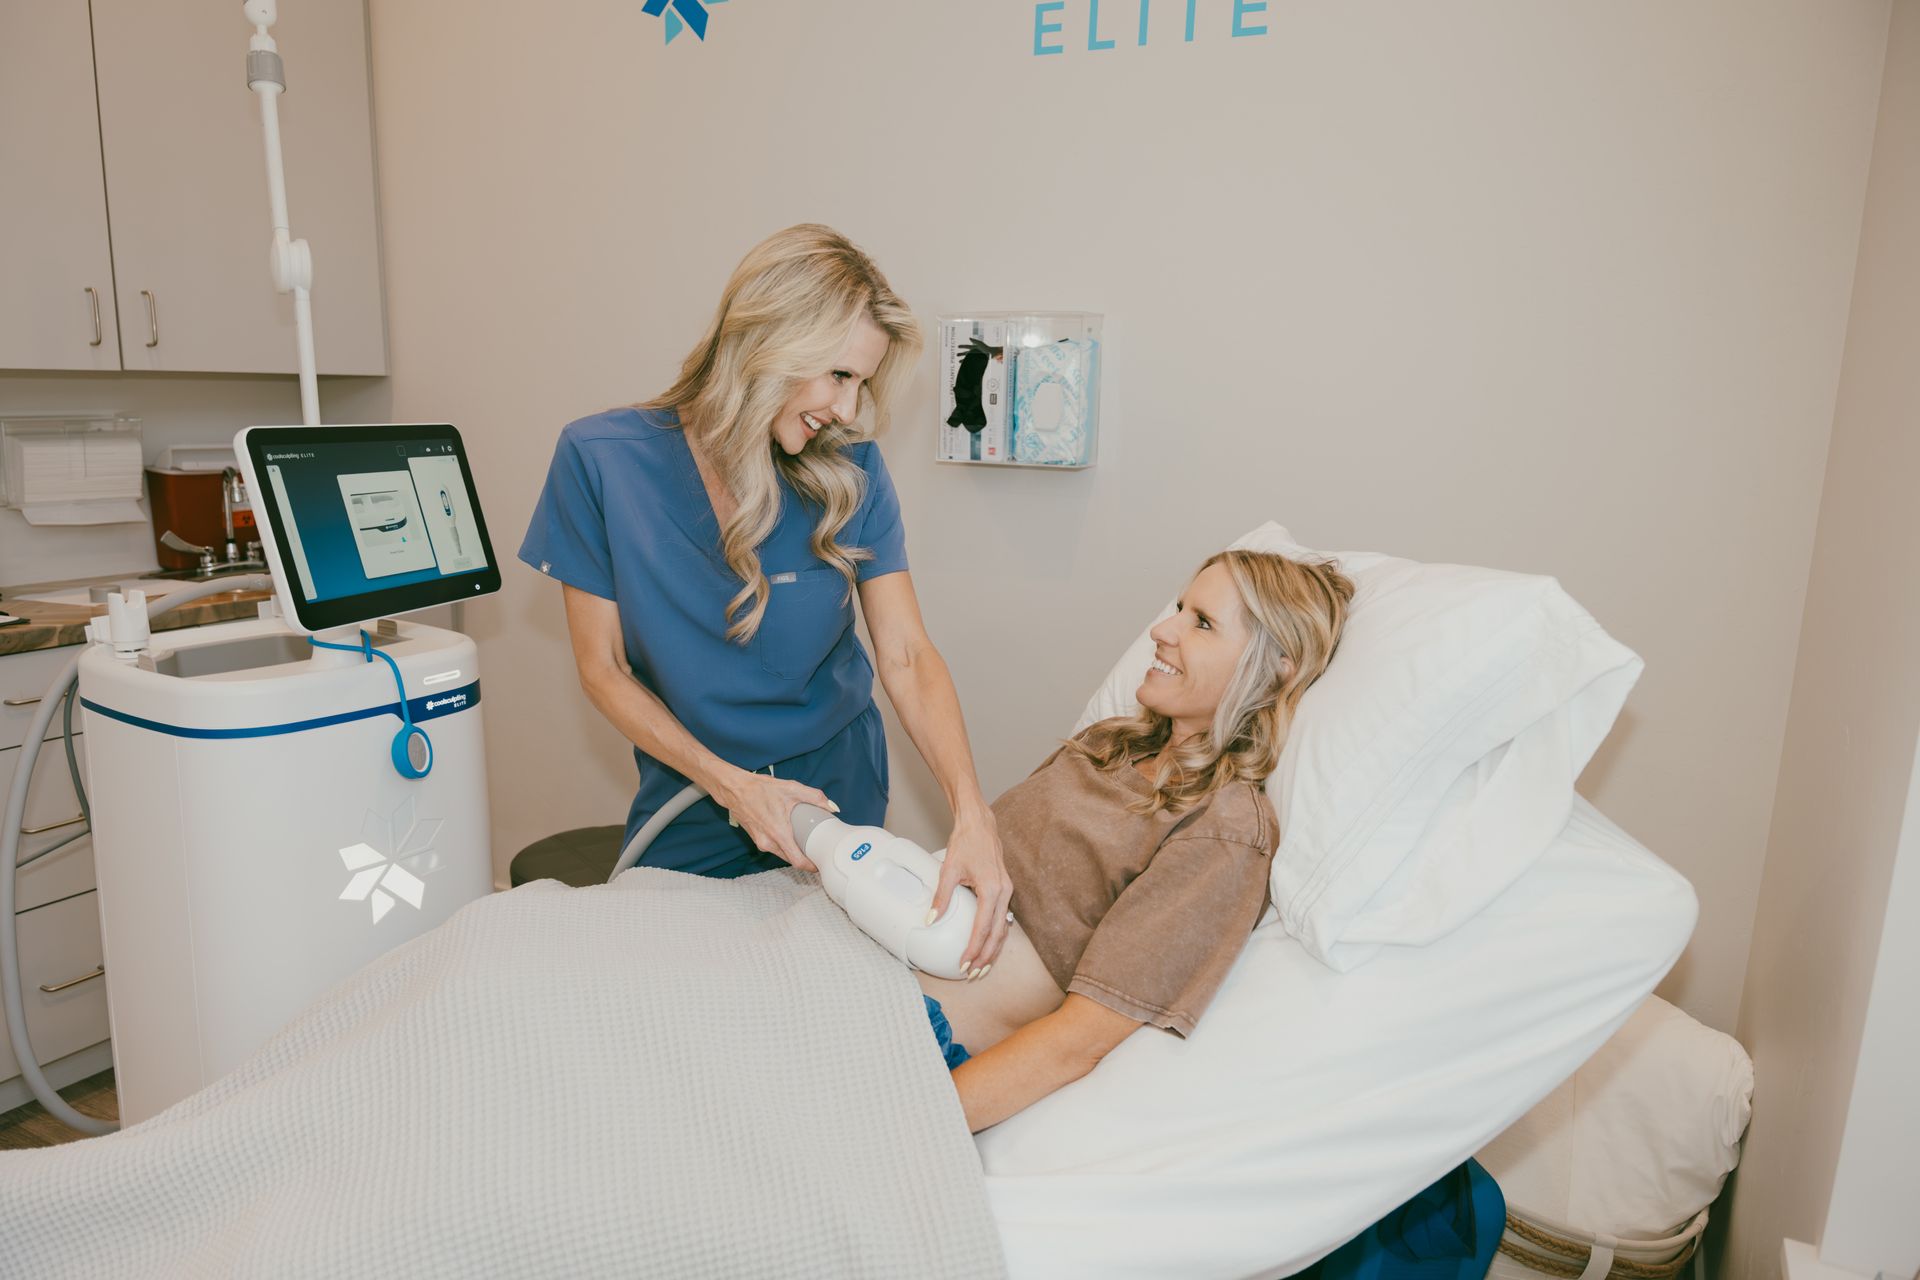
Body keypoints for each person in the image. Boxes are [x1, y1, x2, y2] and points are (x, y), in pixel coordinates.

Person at [519, 224, 1012, 973]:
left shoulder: (851, 473)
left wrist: (973, 816)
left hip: (835, 787)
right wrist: (734, 788)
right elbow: (603, 670)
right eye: (839, 376)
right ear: (768, 344)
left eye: (862, 384)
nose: (849, 409)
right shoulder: (602, 461)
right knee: (670, 986)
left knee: (813, 984)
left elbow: (906, 656)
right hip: (696, 785)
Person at [918, 549, 1355, 1130]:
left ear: (1278, 666)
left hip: (915, 1032)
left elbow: (1079, 1041)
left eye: (1201, 623)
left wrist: (913, 1124)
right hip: (856, 953)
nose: (1161, 630)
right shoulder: (1109, 746)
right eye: (1179, 608)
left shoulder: (1223, 829)